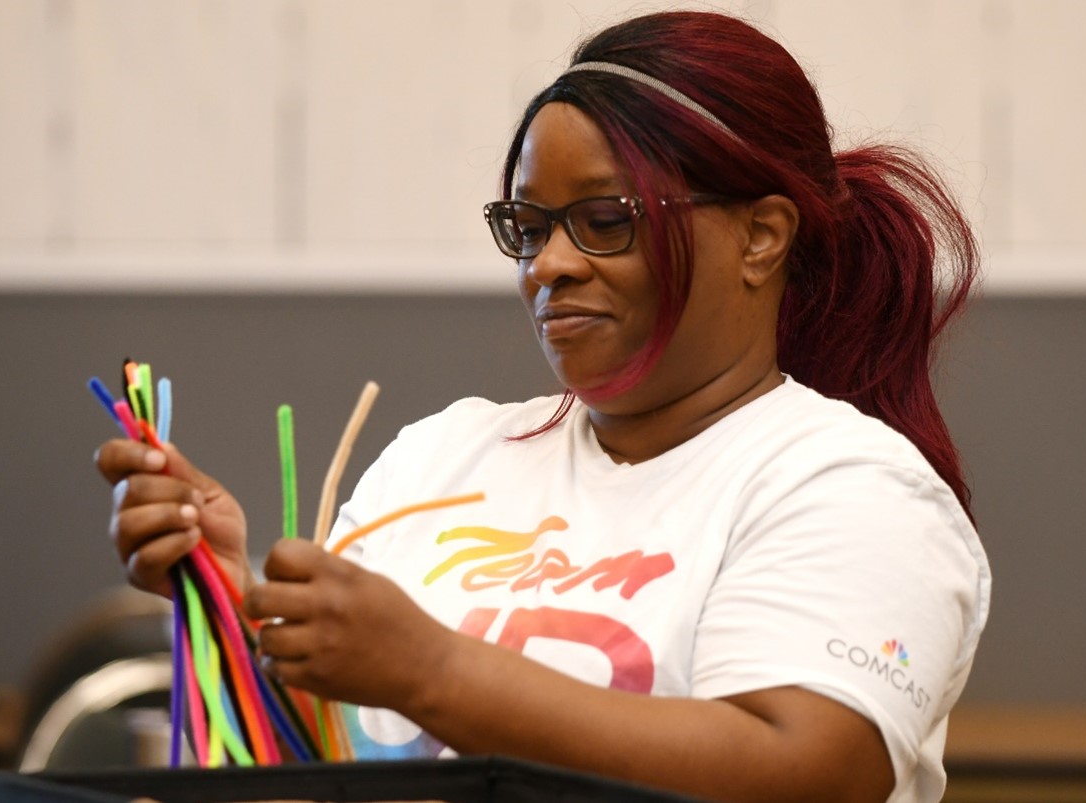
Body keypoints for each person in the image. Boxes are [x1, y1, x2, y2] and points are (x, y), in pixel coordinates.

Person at [96, 11, 989, 803]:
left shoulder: (851, 489)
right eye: (528, 226)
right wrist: (234, 601)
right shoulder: (442, 456)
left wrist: (435, 669)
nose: (548, 264)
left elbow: (807, 773)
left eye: (606, 220)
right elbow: (328, 756)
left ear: (760, 236)